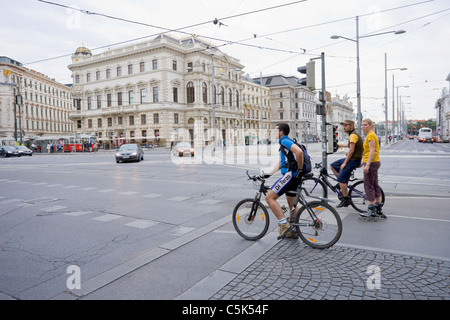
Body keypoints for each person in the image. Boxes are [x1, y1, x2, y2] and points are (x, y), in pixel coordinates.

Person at [265, 123, 305, 239]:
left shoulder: (284, 141)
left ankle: (284, 226)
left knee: (269, 198)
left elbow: (299, 152)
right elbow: (282, 162)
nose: (274, 132)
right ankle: (293, 230)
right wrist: (269, 173)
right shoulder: (284, 142)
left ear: (281, 132)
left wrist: (300, 169)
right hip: (293, 175)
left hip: (290, 175)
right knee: (292, 204)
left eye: (275, 130)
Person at [330, 120, 363, 208]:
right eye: (343, 125)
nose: (344, 127)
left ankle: (346, 199)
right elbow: (349, 146)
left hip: (353, 160)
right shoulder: (353, 134)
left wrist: (345, 163)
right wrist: (339, 145)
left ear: (351, 126)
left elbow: (351, 150)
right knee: (333, 165)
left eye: (346, 125)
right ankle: (342, 184)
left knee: (340, 179)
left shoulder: (353, 135)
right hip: (353, 159)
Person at [361, 118, 386, 220]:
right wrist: (363, 162)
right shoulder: (371, 135)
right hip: (374, 162)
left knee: (369, 186)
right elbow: (369, 152)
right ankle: (378, 207)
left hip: (371, 163)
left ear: (371, 125)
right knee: (375, 185)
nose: (363, 127)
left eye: (366, 125)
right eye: (362, 125)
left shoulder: (370, 135)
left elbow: (372, 151)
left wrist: (367, 165)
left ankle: (371, 209)